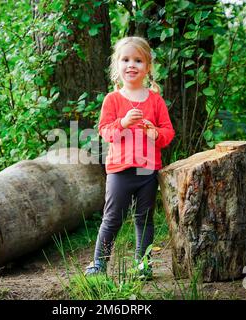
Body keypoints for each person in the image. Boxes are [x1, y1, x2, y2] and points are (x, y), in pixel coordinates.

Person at [85, 36, 175, 279]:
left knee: (144, 219)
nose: (131, 65)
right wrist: (123, 123)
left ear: (147, 67)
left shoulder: (155, 101)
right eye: (125, 59)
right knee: (112, 218)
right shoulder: (112, 100)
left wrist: (153, 132)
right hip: (119, 172)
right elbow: (106, 132)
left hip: (147, 172)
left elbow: (168, 133)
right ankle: (99, 263)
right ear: (117, 65)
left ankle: (143, 264)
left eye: (138, 60)